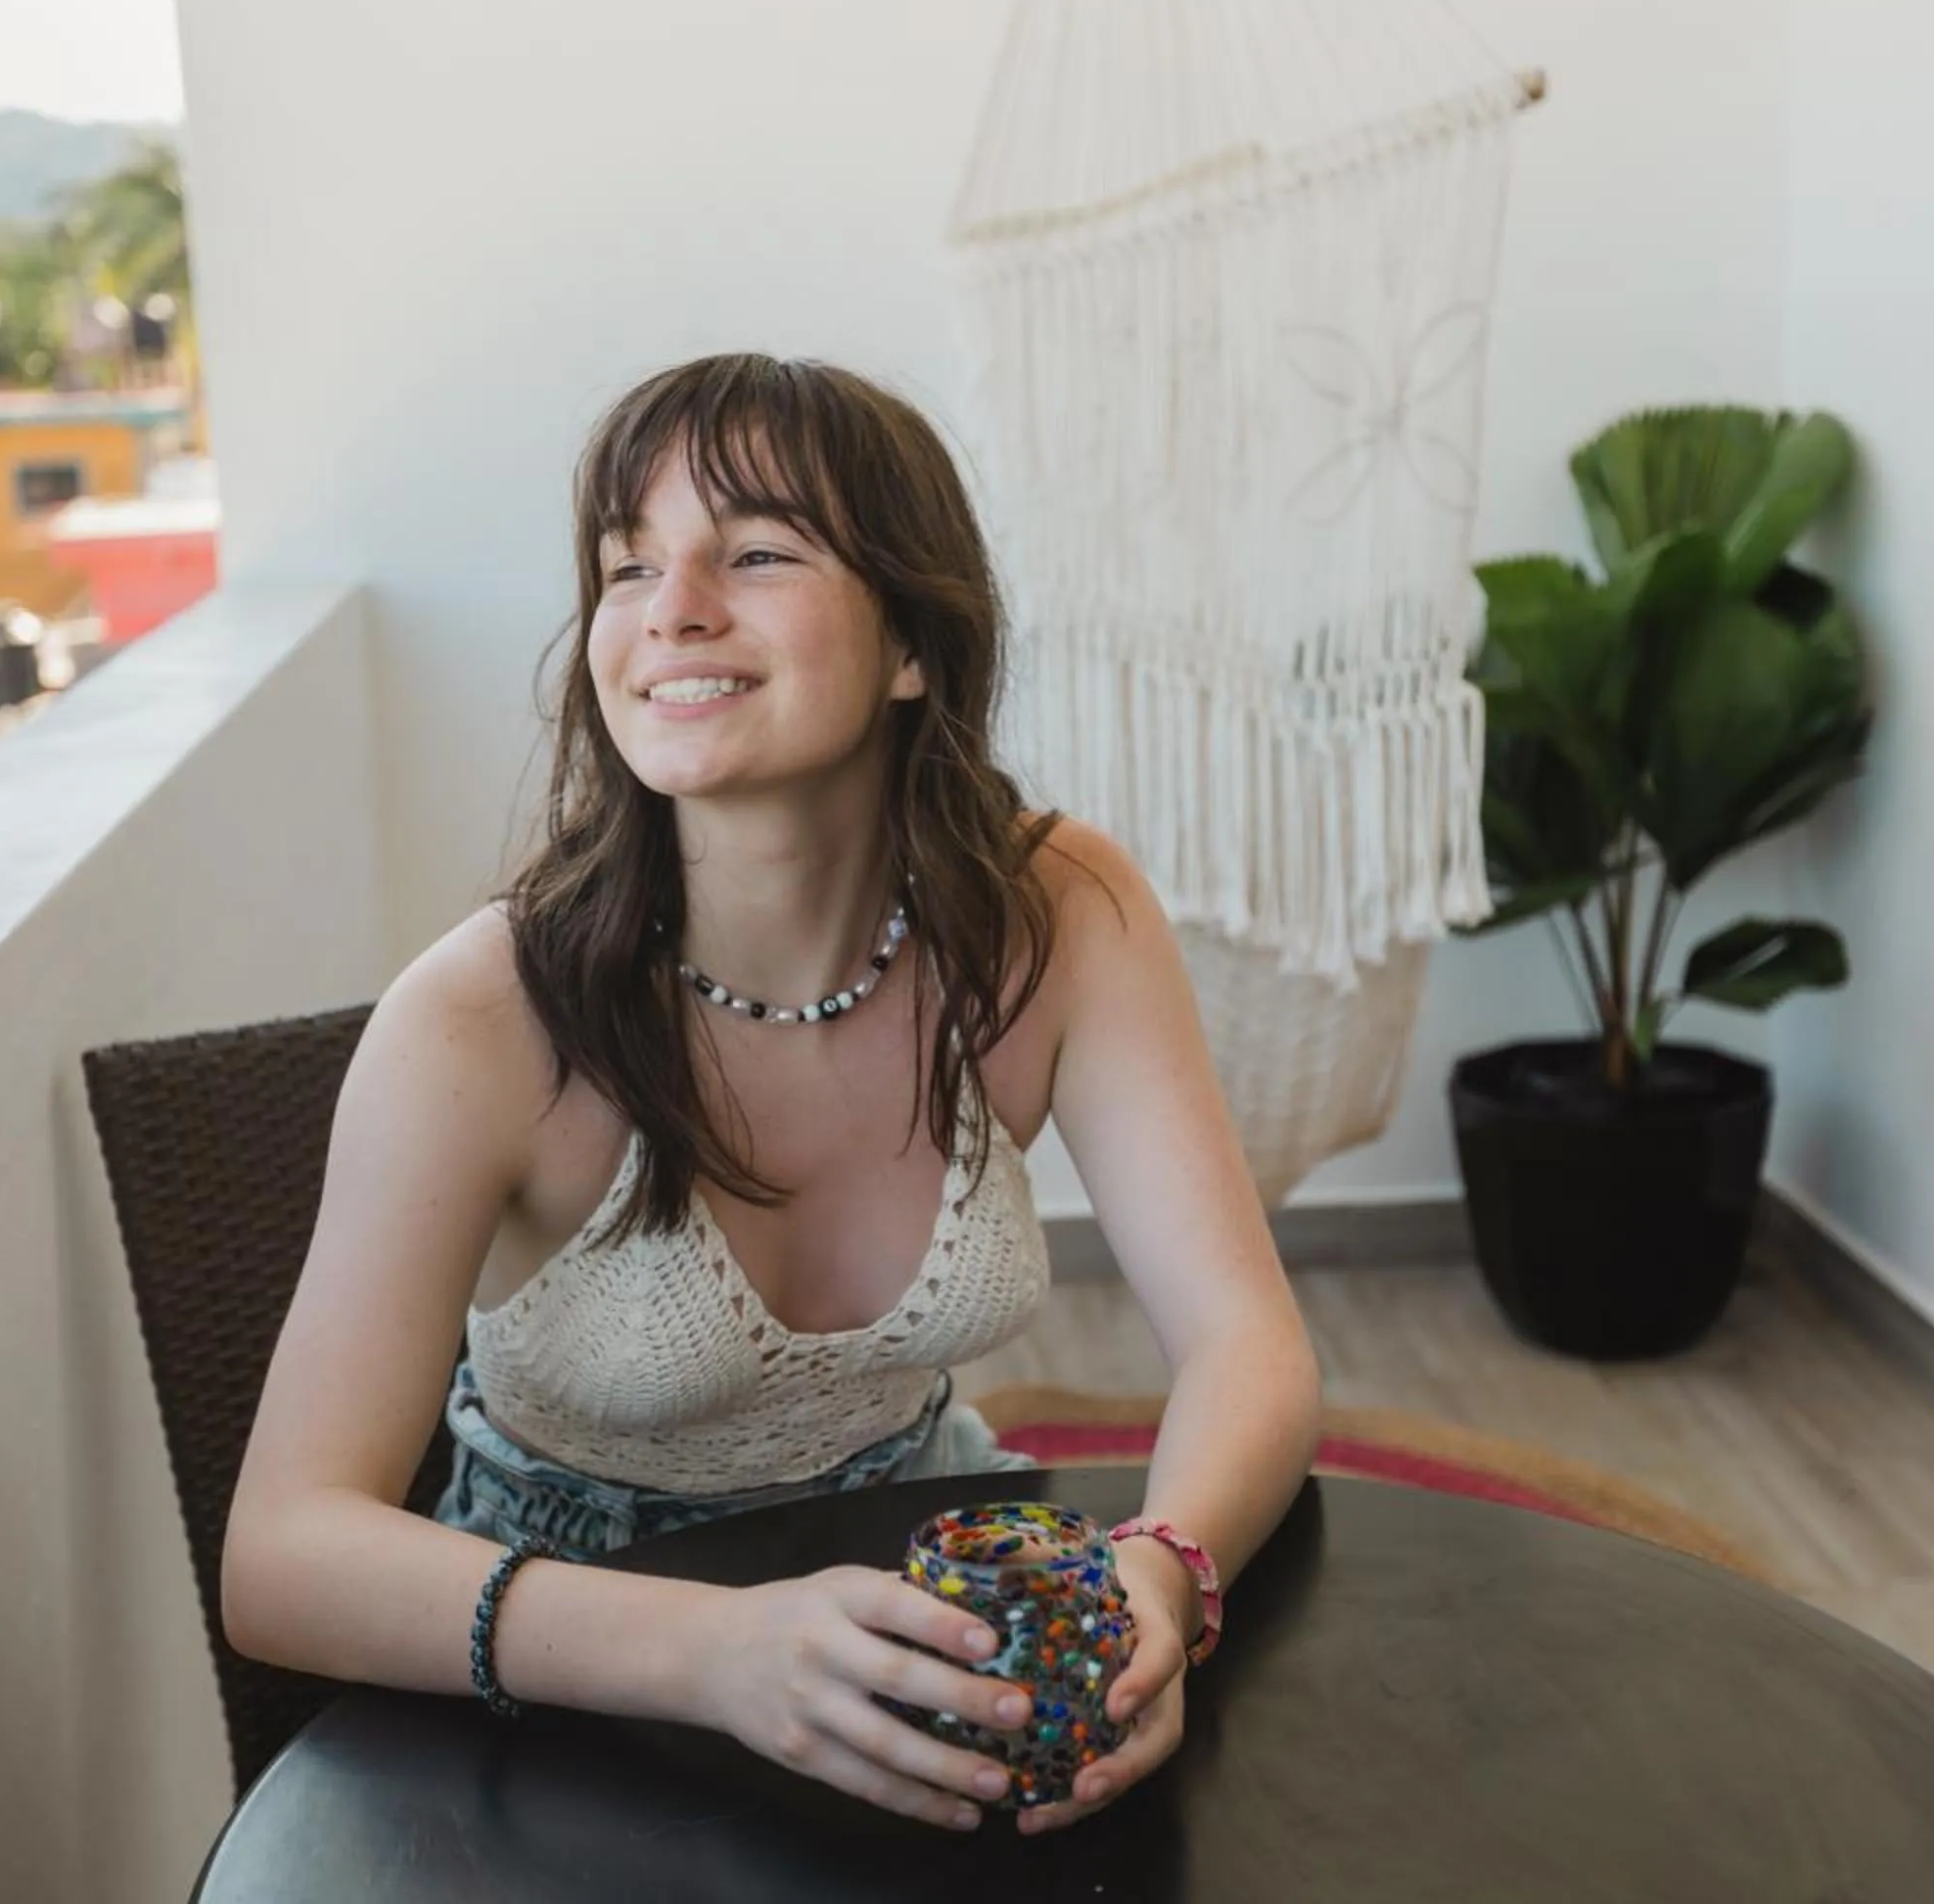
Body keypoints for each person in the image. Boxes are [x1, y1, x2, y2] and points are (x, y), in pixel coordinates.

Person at [220, 353, 1319, 1835]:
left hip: (919, 1585)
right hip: (569, 1670)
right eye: (627, 565)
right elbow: (280, 1558)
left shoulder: (1057, 911)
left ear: (913, 644)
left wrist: (1156, 1586)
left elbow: (1249, 1340)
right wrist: (719, 1654)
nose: (670, 607)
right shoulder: (481, 1021)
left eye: (753, 553)